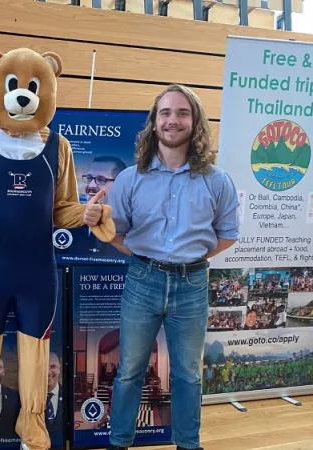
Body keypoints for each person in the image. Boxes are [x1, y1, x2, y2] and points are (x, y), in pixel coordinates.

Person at [105, 84, 240, 450]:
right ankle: (118, 444)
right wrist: (143, 257)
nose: (173, 120)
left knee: (188, 375)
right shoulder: (130, 179)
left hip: (192, 284)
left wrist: (190, 257)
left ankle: (188, 444)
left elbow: (228, 235)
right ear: (154, 122)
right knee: (130, 371)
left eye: (182, 113)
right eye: (165, 113)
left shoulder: (217, 181)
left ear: (195, 122)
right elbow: (113, 232)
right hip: (142, 282)